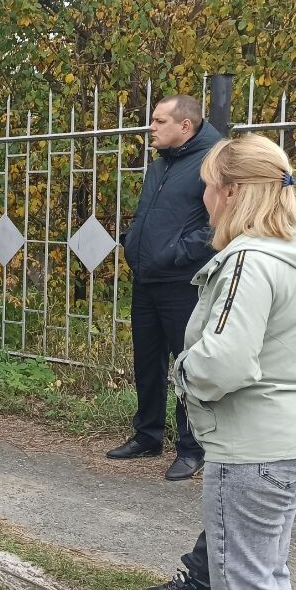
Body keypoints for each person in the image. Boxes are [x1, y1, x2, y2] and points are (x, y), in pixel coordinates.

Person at [144, 134, 296, 590]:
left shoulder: (248, 260)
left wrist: (181, 371)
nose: (203, 198)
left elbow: (223, 362)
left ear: (231, 193)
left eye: (208, 187)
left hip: (255, 448)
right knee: (266, 574)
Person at [109, 94, 222, 481]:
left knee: (186, 364)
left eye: (159, 121)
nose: (151, 128)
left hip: (183, 281)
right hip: (147, 278)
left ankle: (192, 448)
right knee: (147, 361)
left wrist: (177, 253)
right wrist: (133, 239)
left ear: (185, 126)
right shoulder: (162, 163)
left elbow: (219, 221)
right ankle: (147, 434)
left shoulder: (214, 160)